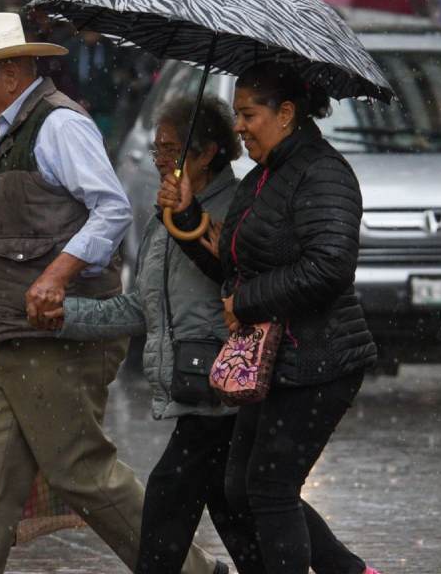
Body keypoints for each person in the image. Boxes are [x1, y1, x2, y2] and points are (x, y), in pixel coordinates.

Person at [0, 12, 219, 574]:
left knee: (80, 469)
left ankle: (192, 572)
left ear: (10, 74)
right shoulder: (9, 132)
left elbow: (112, 209)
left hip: (57, 334)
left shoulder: (59, 125)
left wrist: (55, 275)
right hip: (13, 335)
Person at [161, 62, 383, 574]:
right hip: (273, 361)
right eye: (236, 114)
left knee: (270, 488)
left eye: (249, 114)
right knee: (239, 485)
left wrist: (248, 302)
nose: (239, 126)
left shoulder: (323, 173)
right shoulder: (263, 177)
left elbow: (329, 266)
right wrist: (188, 220)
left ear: (286, 113)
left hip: (320, 360)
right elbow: (236, 267)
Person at [41, 95, 264, 573]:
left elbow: (238, 277)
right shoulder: (165, 214)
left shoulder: (240, 206)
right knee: (237, 515)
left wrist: (189, 221)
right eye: (157, 149)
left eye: (168, 149)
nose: (158, 159)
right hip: (196, 391)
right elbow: (143, 307)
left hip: (223, 388)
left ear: (205, 153)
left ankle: (343, 565)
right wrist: (66, 316)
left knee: (169, 504)